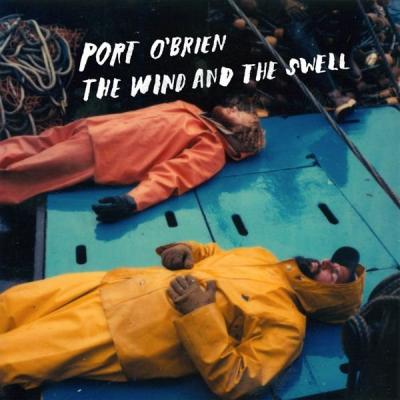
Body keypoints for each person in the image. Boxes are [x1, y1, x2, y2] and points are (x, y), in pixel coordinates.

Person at [0, 241, 364, 399]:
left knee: (12, 356)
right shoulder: (262, 256)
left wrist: (200, 314)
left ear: (329, 298)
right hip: (116, 284)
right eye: (334, 261)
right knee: (13, 303)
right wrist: (187, 250)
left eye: (335, 274)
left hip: (122, 334)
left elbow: (236, 380)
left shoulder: (287, 327)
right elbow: (213, 252)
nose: (328, 263)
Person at [0, 101, 265, 222]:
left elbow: (173, 176)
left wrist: (133, 200)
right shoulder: (194, 111)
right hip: (95, 128)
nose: (235, 109)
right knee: (28, 146)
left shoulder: (212, 149)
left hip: (100, 153)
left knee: (23, 173)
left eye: (241, 116)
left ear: (240, 133)